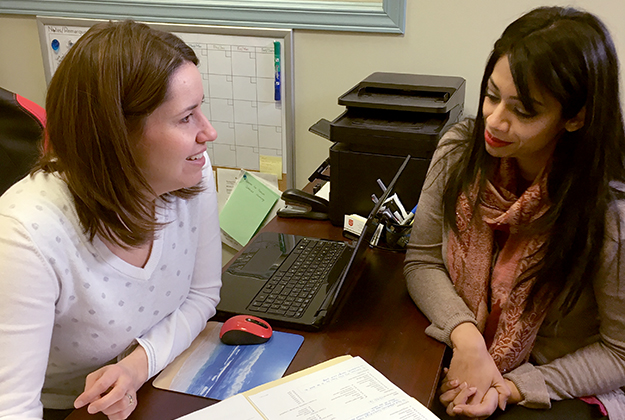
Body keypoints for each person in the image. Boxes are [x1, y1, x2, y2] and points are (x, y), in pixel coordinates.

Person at [404, 6, 625, 420]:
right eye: (491, 95)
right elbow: (422, 259)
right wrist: (468, 339)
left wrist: (512, 387)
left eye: (523, 111)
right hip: (469, 354)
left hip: (561, 375)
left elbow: (619, 353)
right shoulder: (459, 152)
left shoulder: (609, 212)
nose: (494, 120)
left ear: (575, 118)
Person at [0, 20, 222, 420]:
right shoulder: (25, 233)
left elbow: (201, 296)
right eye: (186, 118)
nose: (209, 132)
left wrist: (135, 367)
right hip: (64, 410)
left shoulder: (193, 174)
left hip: (147, 385)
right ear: (118, 134)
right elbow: (12, 408)